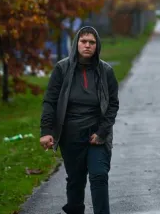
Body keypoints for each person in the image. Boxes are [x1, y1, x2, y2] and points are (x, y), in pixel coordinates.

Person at [39, 26, 119, 214]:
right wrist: (46, 131)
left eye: (92, 42)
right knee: (76, 179)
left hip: (97, 133)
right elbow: (50, 101)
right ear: (76, 44)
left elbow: (113, 105)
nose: (88, 45)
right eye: (84, 41)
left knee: (99, 175)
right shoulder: (62, 69)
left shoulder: (106, 71)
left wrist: (102, 132)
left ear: (97, 46)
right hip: (71, 134)